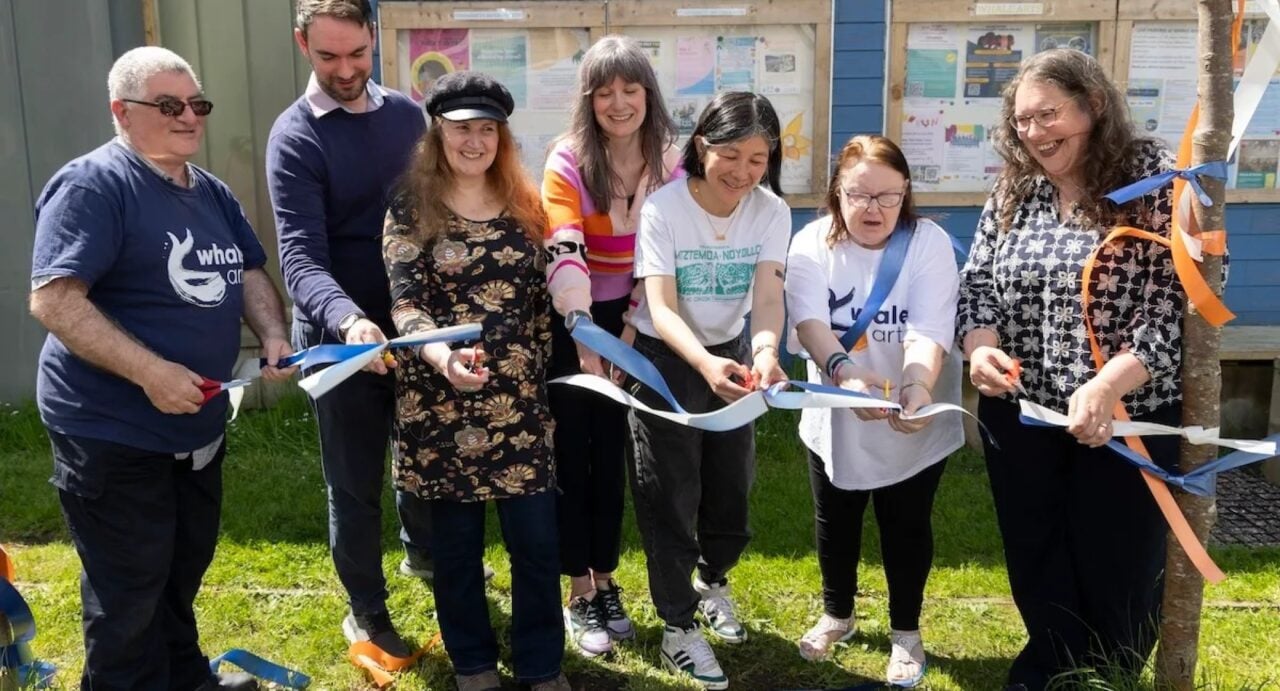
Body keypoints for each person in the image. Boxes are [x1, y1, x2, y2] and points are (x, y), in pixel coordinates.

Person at [29, 46, 295, 690]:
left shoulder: (209, 191)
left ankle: (183, 677)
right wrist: (150, 372)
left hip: (195, 423)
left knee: (181, 568)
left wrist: (274, 331)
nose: (188, 118)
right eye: (168, 105)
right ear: (121, 111)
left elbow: (250, 269)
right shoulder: (94, 185)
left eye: (196, 104)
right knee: (128, 589)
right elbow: (55, 299)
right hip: (113, 429)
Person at [958, 48, 1187, 690]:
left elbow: (1179, 301)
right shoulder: (1013, 188)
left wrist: (1111, 382)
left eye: (1050, 115)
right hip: (1023, 408)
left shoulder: (1153, 181)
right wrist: (980, 347)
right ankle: (1052, 665)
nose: (1036, 133)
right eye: (1023, 120)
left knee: (1118, 554)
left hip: (1127, 412)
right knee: (1035, 546)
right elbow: (976, 281)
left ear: (1093, 106)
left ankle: (1111, 672)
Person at [266, 0, 473, 658]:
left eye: (357, 54)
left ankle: (428, 558)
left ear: (374, 39)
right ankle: (366, 609)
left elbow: (434, 220)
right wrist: (350, 319)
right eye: (329, 57)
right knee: (353, 481)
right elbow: (299, 257)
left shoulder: (410, 120)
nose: (347, 69)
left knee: (423, 461)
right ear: (302, 44)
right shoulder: (294, 136)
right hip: (340, 339)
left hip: (415, 332)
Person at [384, 71, 568, 691]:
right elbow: (406, 307)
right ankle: (474, 664)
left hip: (519, 405)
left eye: (487, 129)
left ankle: (542, 665)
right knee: (457, 554)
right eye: (462, 128)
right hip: (441, 403)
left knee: (538, 547)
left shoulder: (524, 200)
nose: (474, 141)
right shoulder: (411, 206)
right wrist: (441, 358)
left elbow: (542, 304)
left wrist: (544, 376)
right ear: (438, 133)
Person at [784, 135, 963, 687]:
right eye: (860, 195)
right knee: (834, 518)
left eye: (888, 197)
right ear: (836, 192)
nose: (874, 210)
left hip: (915, 406)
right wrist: (846, 377)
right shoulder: (811, 242)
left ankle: (906, 633)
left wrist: (915, 386)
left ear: (905, 193)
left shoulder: (928, 243)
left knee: (906, 523)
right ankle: (838, 613)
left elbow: (930, 328)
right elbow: (811, 323)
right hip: (837, 411)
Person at [627, 91, 791, 690]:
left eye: (758, 158)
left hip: (733, 358)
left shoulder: (771, 210)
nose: (744, 172)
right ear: (702, 146)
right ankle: (677, 627)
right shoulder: (663, 208)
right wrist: (701, 365)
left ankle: (713, 581)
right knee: (670, 495)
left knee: (732, 493)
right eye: (731, 154)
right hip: (666, 360)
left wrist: (766, 352)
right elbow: (660, 307)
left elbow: (769, 298)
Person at [540, 35, 683, 658]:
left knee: (617, 452)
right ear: (589, 99)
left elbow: (663, 260)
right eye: (605, 91)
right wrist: (584, 334)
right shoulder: (567, 159)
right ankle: (577, 587)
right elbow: (564, 247)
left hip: (641, 313)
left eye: (630, 89)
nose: (618, 103)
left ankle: (607, 576)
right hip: (570, 316)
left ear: (648, 94)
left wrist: (627, 336)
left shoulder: (671, 162)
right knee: (574, 454)